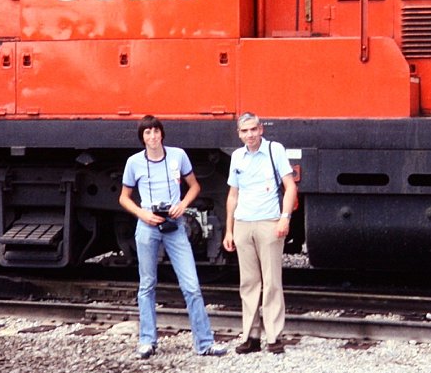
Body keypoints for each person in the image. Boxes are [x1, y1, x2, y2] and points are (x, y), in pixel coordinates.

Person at [119, 115, 226, 359]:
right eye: (147, 133)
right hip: (147, 227)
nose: (153, 136)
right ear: (142, 137)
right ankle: (147, 341)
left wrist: (183, 204)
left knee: (192, 286)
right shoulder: (133, 163)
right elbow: (124, 197)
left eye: (156, 131)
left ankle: (205, 344)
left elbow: (195, 186)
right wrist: (142, 214)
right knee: (147, 285)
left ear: (162, 134)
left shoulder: (178, 156)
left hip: (175, 226)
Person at [221, 112, 298, 355]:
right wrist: (229, 230)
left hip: (269, 223)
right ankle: (251, 336)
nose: (250, 135)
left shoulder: (275, 150)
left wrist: (284, 218)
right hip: (243, 223)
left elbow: (290, 187)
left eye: (253, 129)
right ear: (239, 134)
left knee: (272, 281)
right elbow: (233, 195)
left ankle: (274, 337)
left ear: (261, 129)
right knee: (249, 283)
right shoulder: (237, 157)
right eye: (245, 131)